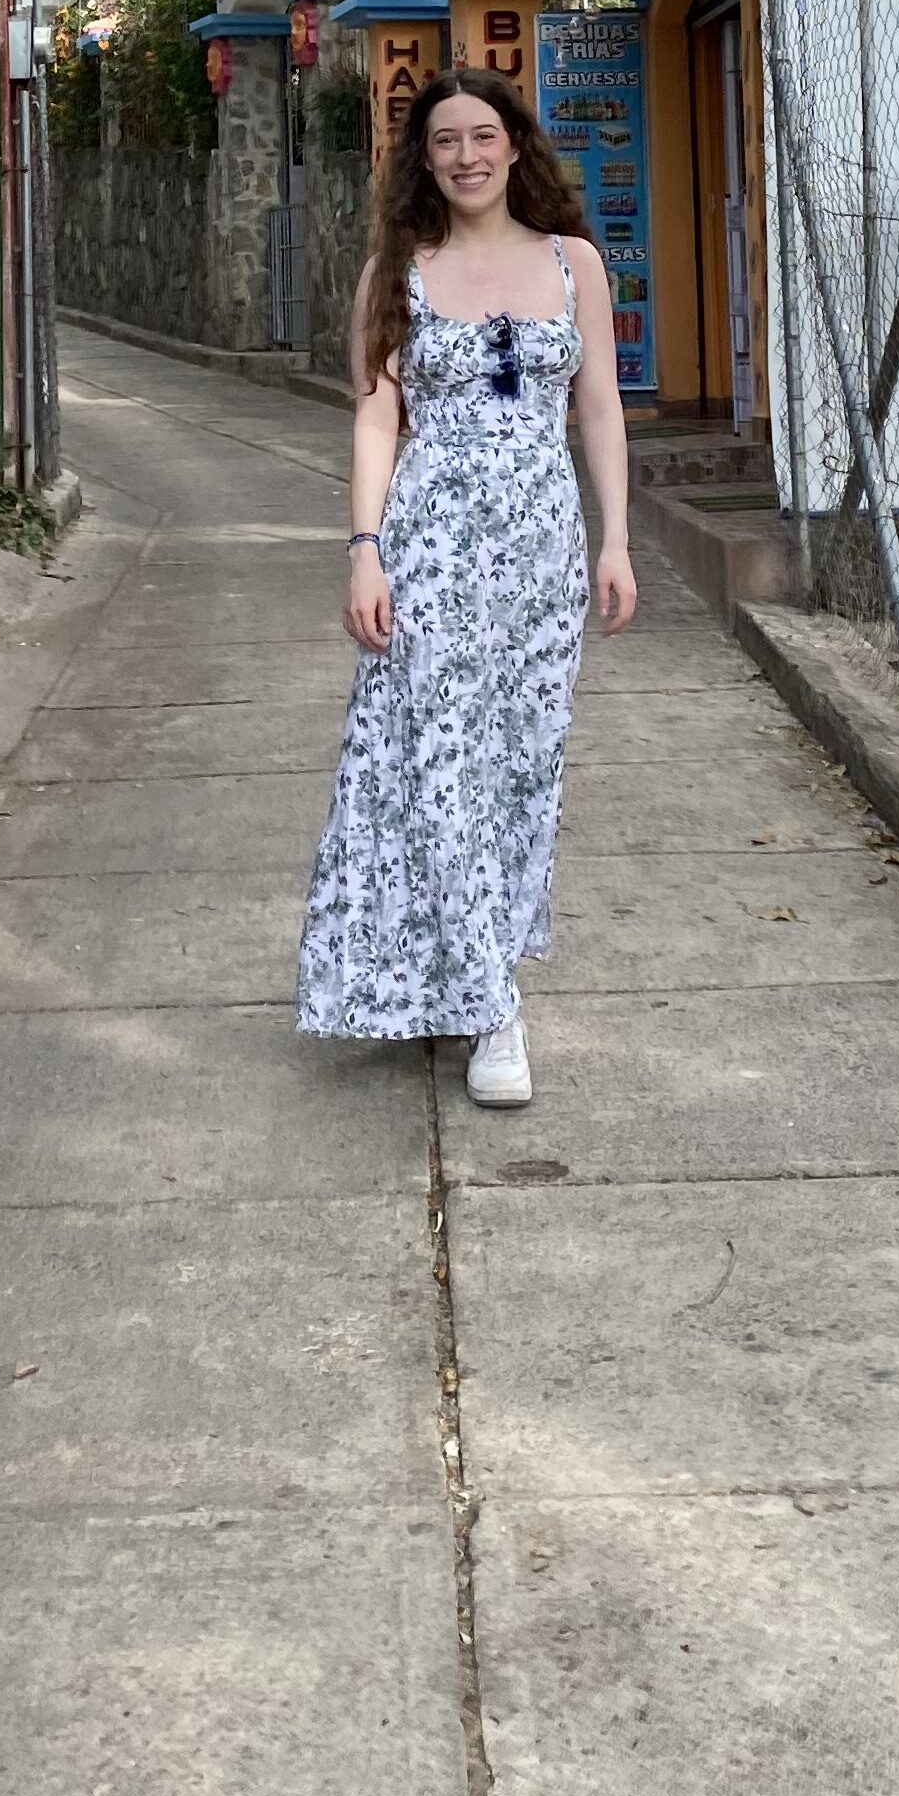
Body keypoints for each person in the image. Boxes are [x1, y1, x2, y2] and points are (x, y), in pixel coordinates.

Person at [296, 64, 637, 1106]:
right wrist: (364, 548)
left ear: (515, 144)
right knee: (438, 761)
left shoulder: (574, 263)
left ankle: (469, 964)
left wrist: (615, 542)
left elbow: (600, 408)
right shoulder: (396, 272)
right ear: (424, 160)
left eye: (482, 135)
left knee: (521, 765)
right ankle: (494, 1010)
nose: (466, 155)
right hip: (432, 548)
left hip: (541, 552)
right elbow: (375, 416)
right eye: (445, 140)